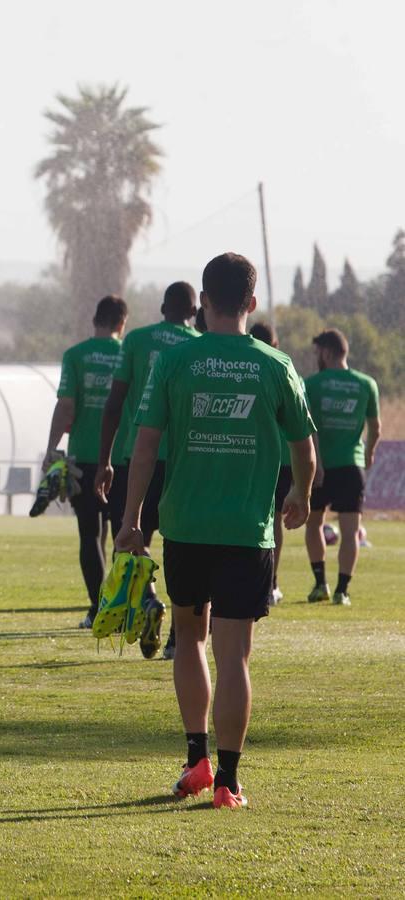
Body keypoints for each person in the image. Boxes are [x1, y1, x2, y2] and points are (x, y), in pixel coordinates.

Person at [117, 252, 315, 810]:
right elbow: (305, 447)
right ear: (251, 303)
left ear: (203, 304)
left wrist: (133, 520)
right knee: (236, 658)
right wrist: (300, 493)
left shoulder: (176, 362)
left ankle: (196, 758)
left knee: (190, 640)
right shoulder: (275, 365)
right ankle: (228, 781)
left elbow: (146, 447)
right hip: (247, 532)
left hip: (185, 525)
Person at [96, 282, 201, 659]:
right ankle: (178, 635)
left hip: (137, 455)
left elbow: (114, 402)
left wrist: (104, 460)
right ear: (193, 312)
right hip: (184, 461)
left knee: (130, 536)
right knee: (183, 546)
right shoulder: (198, 346)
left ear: (161, 307)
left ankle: (149, 599)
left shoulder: (136, 341)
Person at [42, 297, 139, 635]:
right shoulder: (130, 353)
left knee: (89, 534)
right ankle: (122, 608)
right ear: (122, 323)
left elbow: (66, 407)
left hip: (84, 455)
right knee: (122, 535)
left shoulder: (76, 355)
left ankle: (98, 608)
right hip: (123, 456)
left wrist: (52, 448)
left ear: (94, 319)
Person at [303, 328, 380, 607]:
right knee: (350, 532)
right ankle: (342, 590)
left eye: (317, 353)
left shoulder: (311, 384)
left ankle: (320, 582)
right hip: (351, 465)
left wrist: (317, 464)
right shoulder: (366, 383)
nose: (316, 358)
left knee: (314, 525)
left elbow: (308, 430)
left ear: (326, 352)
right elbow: (376, 427)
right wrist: (368, 453)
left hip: (321, 467)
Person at [249, 322, 294, 604]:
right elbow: (306, 431)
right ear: (274, 344)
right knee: (273, 520)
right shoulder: (284, 369)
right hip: (283, 460)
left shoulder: (246, 367)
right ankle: (270, 583)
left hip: (252, 456)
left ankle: (261, 583)